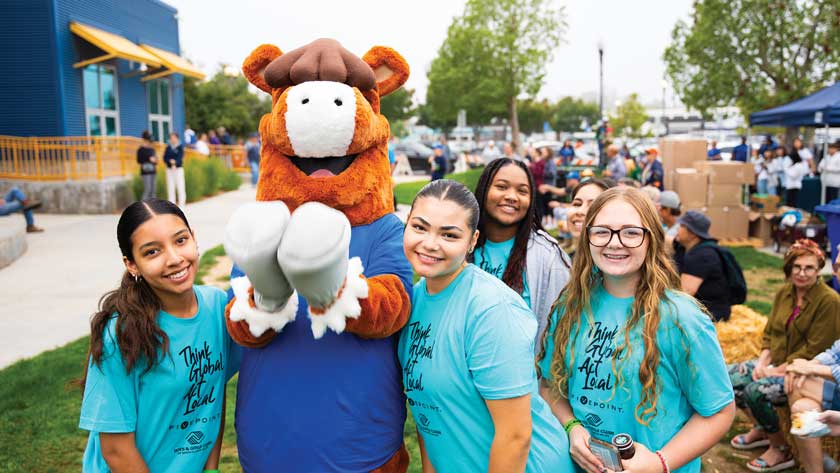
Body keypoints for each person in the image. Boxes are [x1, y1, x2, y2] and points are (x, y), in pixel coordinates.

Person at [538, 186, 735, 473]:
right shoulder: (571, 304)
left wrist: (660, 463)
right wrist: (571, 427)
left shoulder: (681, 317)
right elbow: (549, 385)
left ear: (651, 239)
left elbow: (718, 411)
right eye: (602, 231)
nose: (614, 243)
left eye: (631, 232)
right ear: (588, 237)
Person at [399, 179, 574, 472]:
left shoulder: (491, 309)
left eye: (449, 235)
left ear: (472, 241)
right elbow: (426, 415)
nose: (430, 243)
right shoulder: (414, 300)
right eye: (420, 227)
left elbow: (515, 436)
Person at [78, 198, 239, 471]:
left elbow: (211, 395)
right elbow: (116, 450)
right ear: (132, 265)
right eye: (152, 252)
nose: (175, 259)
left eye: (180, 240)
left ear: (194, 239)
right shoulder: (121, 334)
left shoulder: (217, 307)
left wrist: (211, 468)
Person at [728, 239, 840, 472]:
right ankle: (763, 428)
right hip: (778, 363)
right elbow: (769, 333)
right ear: (788, 268)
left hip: (797, 367)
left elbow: (815, 348)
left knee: (754, 391)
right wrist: (762, 362)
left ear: (819, 269)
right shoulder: (784, 293)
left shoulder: (829, 301)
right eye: (796, 267)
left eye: (809, 268)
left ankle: (780, 448)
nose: (802, 273)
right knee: (729, 378)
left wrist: (781, 370)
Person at [472, 158, 571, 348]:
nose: (512, 196)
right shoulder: (460, 246)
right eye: (501, 187)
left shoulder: (549, 258)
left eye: (522, 191)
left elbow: (561, 330)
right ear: (484, 190)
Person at [673, 211, 733, 322]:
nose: (677, 229)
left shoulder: (702, 255)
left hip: (711, 313)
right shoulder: (687, 248)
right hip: (700, 308)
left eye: (682, 226)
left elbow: (684, 294)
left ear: (692, 233)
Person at [562, 178, 614, 259]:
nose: (580, 211)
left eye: (592, 206)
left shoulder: (615, 265)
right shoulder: (565, 262)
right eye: (577, 204)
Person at [163, 132, 186, 207]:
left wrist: (175, 163)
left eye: (174, 137)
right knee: (170, 187)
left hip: (178, 169)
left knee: (180, 186)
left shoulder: (180, 147)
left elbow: (180, 157)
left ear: (177, 138)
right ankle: (172, 205)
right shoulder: (168, 147)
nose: (172, 139)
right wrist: (170, 161)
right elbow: (165, 158)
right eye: (171, 138)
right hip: (169, 170)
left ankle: (182, 204)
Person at [136, 130, 158, 201]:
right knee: (147, 189)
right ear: (144, 140)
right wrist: (148, 159)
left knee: (153, 190)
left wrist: (155, 160)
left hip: (153, 171)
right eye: (148, 140)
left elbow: (156, 161)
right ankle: (143, 206)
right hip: (145, 172)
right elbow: (139, 160)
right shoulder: (140, 150)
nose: (149, 142)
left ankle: (153, 207)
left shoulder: (152, 149)